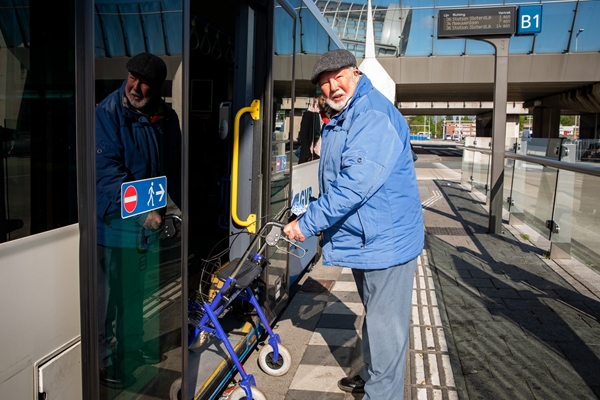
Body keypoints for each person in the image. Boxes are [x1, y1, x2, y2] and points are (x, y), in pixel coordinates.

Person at [283, 49, 424, 399]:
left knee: (386, 328)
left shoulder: (371, 114)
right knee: (377, 320)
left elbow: (353, 185)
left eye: (339, 78)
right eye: (325, 84)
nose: (333, 88)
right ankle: (375, 378)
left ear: (356, 75)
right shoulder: (348, 114)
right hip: (370, 236)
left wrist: (308, 222)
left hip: (386, 241)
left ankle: (382, 393)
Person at [96, 52, 181, 388]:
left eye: (145, 82)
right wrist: (145, 212)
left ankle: (130, 351)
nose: (136, 86)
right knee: (106, 299)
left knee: (133, 295)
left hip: (144, 226)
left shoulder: (165, 116)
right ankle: (104, 362)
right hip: (113, 223)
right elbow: (107, 176)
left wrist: (175, 208)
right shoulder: (107, 113)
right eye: (132, 77)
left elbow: (172, 168)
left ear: (157, 88)